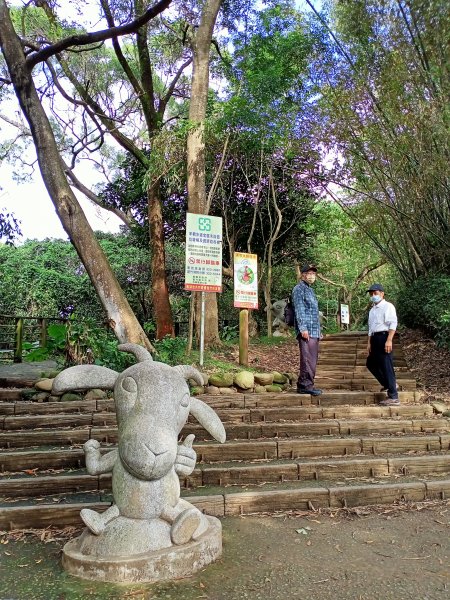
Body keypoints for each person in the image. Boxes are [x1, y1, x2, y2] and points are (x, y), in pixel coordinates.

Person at [366, 283, 400, 406]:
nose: (373, 296)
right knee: (370, 363)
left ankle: (393, 396)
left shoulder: (388, 306)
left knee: (386, 365)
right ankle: (388, 383)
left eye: (375, 293)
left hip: (384, 337)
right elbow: (370, 328)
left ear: (382, 293)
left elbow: (393, 323)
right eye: (371, 294)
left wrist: (389, 339)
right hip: (375, 338)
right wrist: (368, 343)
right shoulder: (372, 310)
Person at [292, 264, 322, 396]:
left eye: (313, 274)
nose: (312, 276)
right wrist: (303, 328)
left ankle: (305, 384)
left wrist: (319, 330)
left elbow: (313, 312)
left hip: (314, 331)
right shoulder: (299, 289)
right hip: (306, 331)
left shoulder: (310, 290)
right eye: (309, 273)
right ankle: (305, 385)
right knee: (307, 359)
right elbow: (299, 309)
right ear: (303, 274)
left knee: (312, 359)